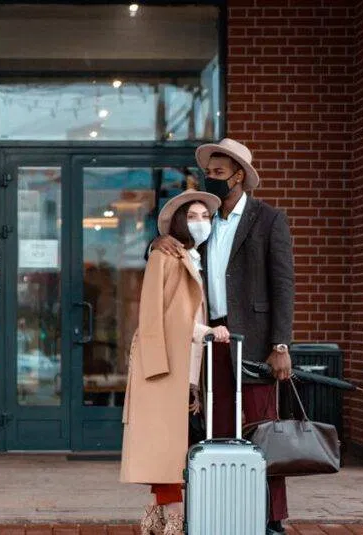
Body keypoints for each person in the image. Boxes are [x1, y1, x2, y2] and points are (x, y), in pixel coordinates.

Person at [151, 138, 295, 535]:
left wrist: (281, 345)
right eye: (207, 173)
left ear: (238, 177)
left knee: (263, 430)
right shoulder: (204, 221)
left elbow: (283, 285)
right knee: (216, 427)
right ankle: (218, 508)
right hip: (211, 337)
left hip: (257, 341)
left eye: (217, 174)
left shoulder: (268, 220)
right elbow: (174, 247)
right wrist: (156, 241)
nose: (209, 180)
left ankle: (271, 518)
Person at [120, 190, 229, 535]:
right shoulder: (164, 256)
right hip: (165, 361)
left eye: (205, 216)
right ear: (180, 222)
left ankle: (155, 516)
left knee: (170, 445)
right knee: (168, 446)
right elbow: (158, 317)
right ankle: (175, 520)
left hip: (190, 363)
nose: (201, 223)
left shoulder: (197, 257)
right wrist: (205, 332)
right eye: (193, 216)